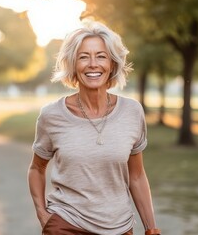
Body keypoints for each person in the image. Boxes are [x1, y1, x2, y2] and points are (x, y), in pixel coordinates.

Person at [28, 21, 161, 235]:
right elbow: (36, 168)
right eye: (83, 56)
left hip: (119, 227)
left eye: (101, 56)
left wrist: (152, 229)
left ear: (112, 64)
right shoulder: (52, 115)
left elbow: (136, 176)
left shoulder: (132, 112)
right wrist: (43, 216)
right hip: (66, 224)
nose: (92, 64)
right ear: (72, 64)